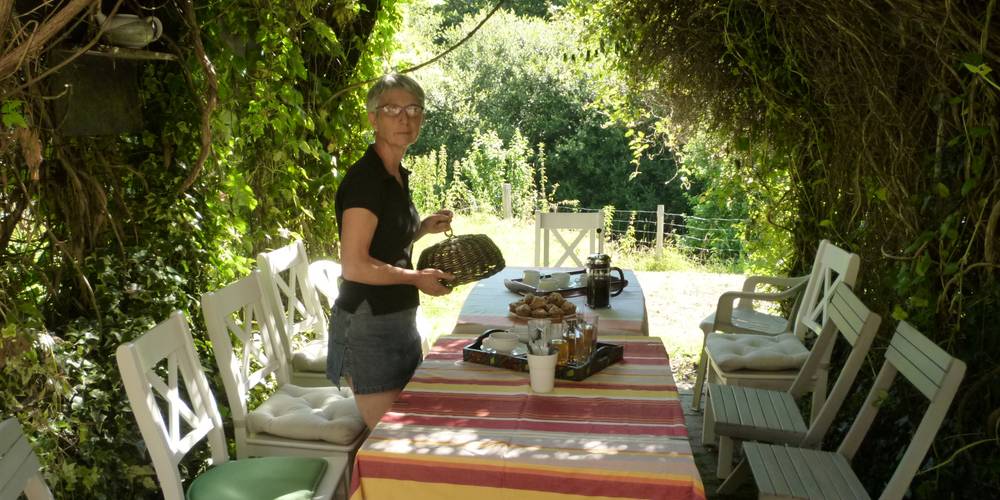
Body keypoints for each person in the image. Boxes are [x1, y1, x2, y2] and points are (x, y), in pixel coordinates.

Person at [328, 73, 454, 429]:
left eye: (414, 109)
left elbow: (384, 244)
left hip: (398, 320)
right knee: (390, 440)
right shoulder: (366, 181)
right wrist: (416, 278)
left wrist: (422, 228)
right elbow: (355, 265)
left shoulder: (394, 173)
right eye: (393, 109)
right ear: (373, 118)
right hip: (368, 325)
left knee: (406, 432)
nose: (405, 118)